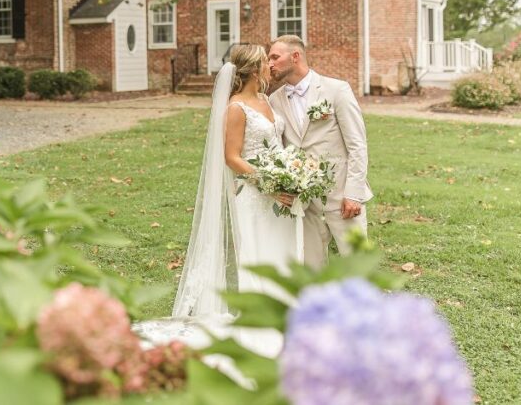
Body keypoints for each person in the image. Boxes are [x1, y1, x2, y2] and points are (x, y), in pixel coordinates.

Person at [135, 44, 301, 361]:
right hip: (254, 196)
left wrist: (290, 174)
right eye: (266, 61)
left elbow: (276, 144)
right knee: (258, 255)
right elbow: (231, 157)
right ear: (253, 70)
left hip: (280, 193)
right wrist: (269, 183)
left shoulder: (265, 99)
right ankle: (259, 322)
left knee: (281, 251)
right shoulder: (236, 108)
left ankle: (283, 314)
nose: (270, 65)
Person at [268, 35, 371, 269]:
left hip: (342, 195)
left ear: (295, 57)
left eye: (275, 57)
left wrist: (354, 193)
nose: (269, 64)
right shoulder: (274, 100)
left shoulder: (336, 90)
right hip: (304, 203)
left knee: (358, 266)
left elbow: (357, 144)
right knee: (311, 268)